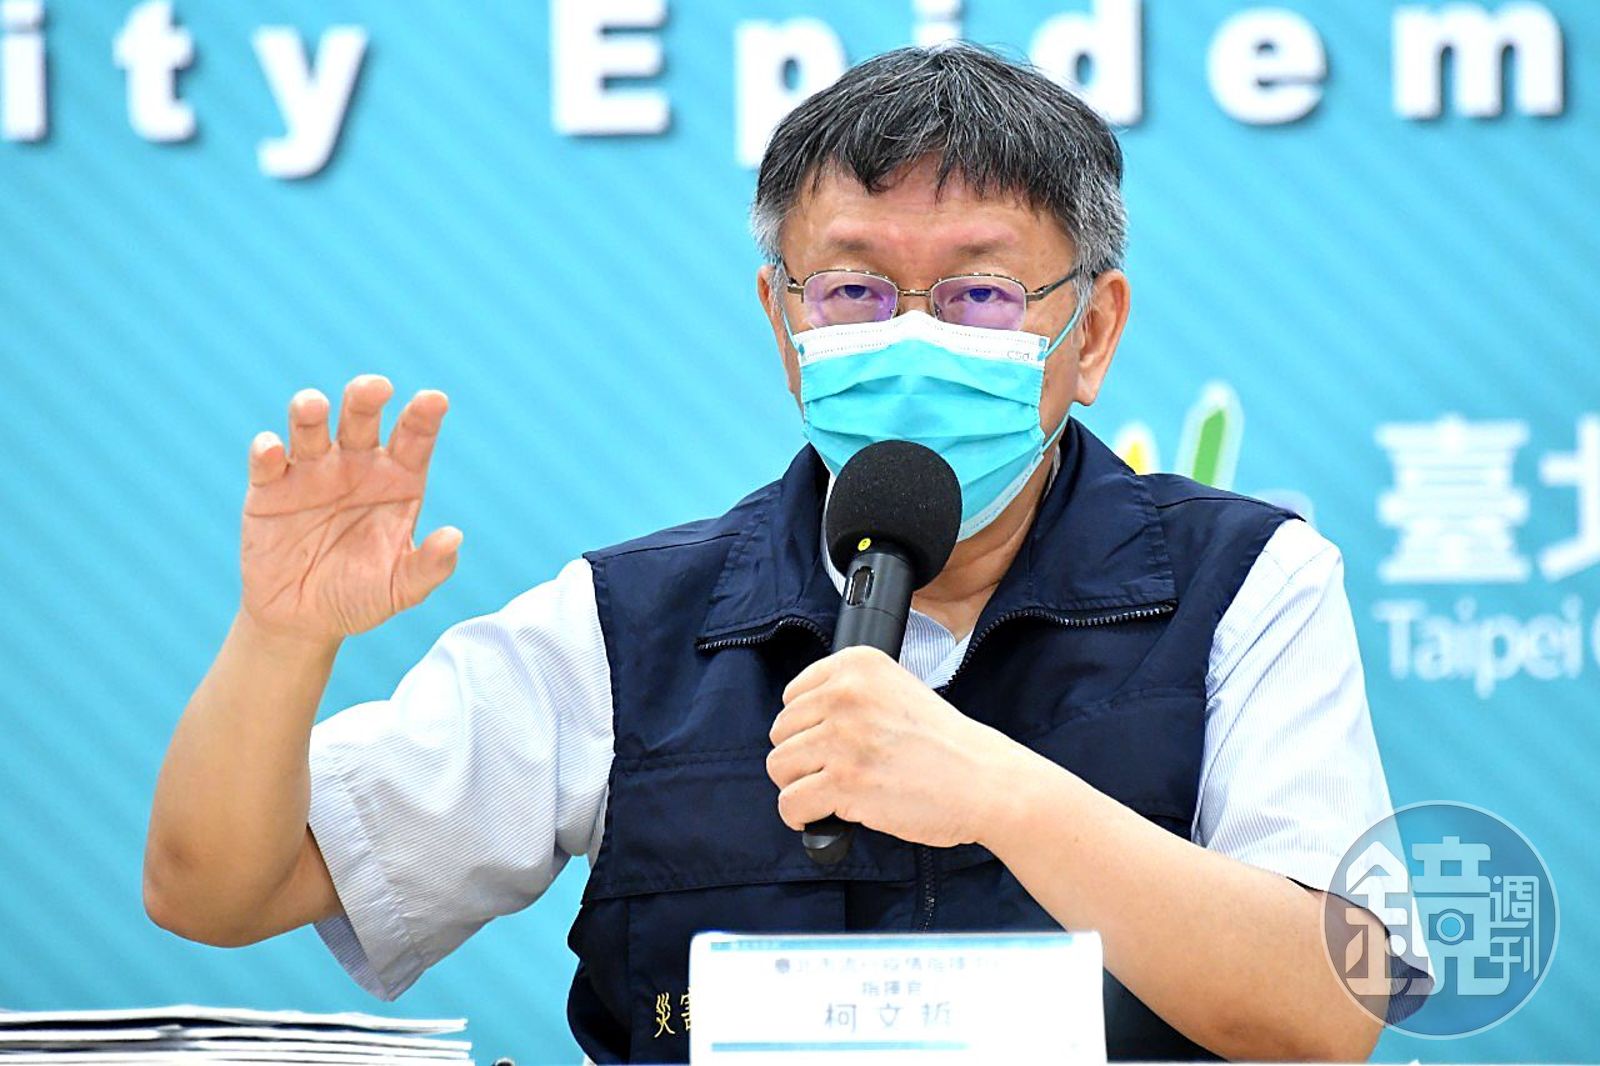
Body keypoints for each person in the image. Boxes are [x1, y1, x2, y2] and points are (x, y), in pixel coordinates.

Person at [145, 43, 1412, 1063]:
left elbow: (1329, 1009)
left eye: (979, 293)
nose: (912, 337)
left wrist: (998, 792)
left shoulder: (1250, 585)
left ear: (1091, 333)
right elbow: (217, 890)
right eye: (853, 291)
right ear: (782, 321)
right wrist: (281, 639)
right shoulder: (627, 622)